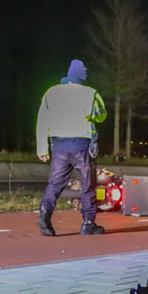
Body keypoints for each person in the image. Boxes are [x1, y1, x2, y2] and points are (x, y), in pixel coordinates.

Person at [35, 59, 108, 236]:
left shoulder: (51, 92)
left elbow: (42, 120)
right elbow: (101, 116)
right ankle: (88, 223)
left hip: (58, 145)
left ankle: (45, 214)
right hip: (82, 145)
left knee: (55, 184)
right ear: (83, 76)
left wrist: (42, 148)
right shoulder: (90, 93)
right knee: (87, 185)